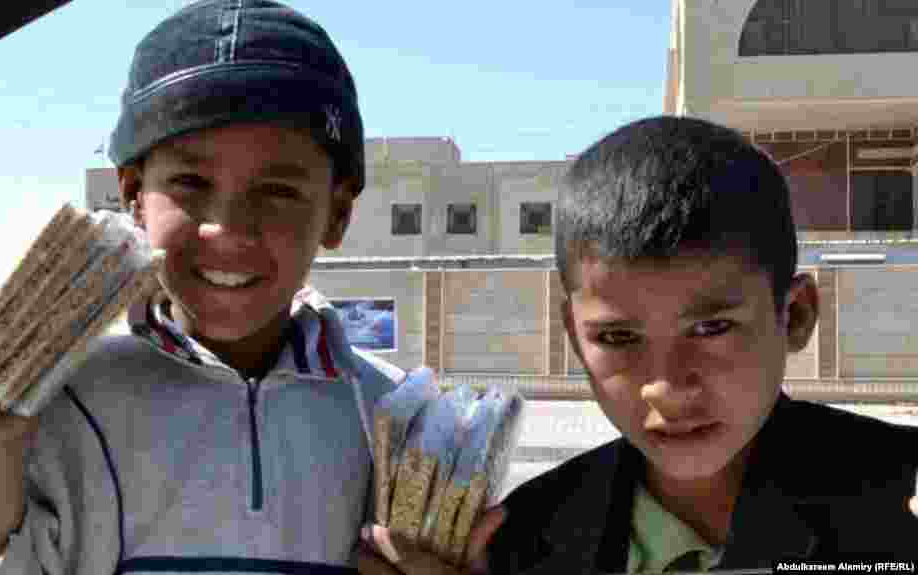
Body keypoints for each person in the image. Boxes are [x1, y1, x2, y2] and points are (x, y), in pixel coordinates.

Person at [0, 2, 408, 573]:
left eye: (278, 191)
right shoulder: (55, 405)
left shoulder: (396, 422)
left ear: (336, 214)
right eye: (190, 182)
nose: (226, 229)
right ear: (134, 196)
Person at [357, 116, 918, 574]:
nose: (668, 388)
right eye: (619, 338)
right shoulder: (523, 542)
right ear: (575, 337)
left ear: (794, 316)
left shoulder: (901, 501)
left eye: (712, 329)